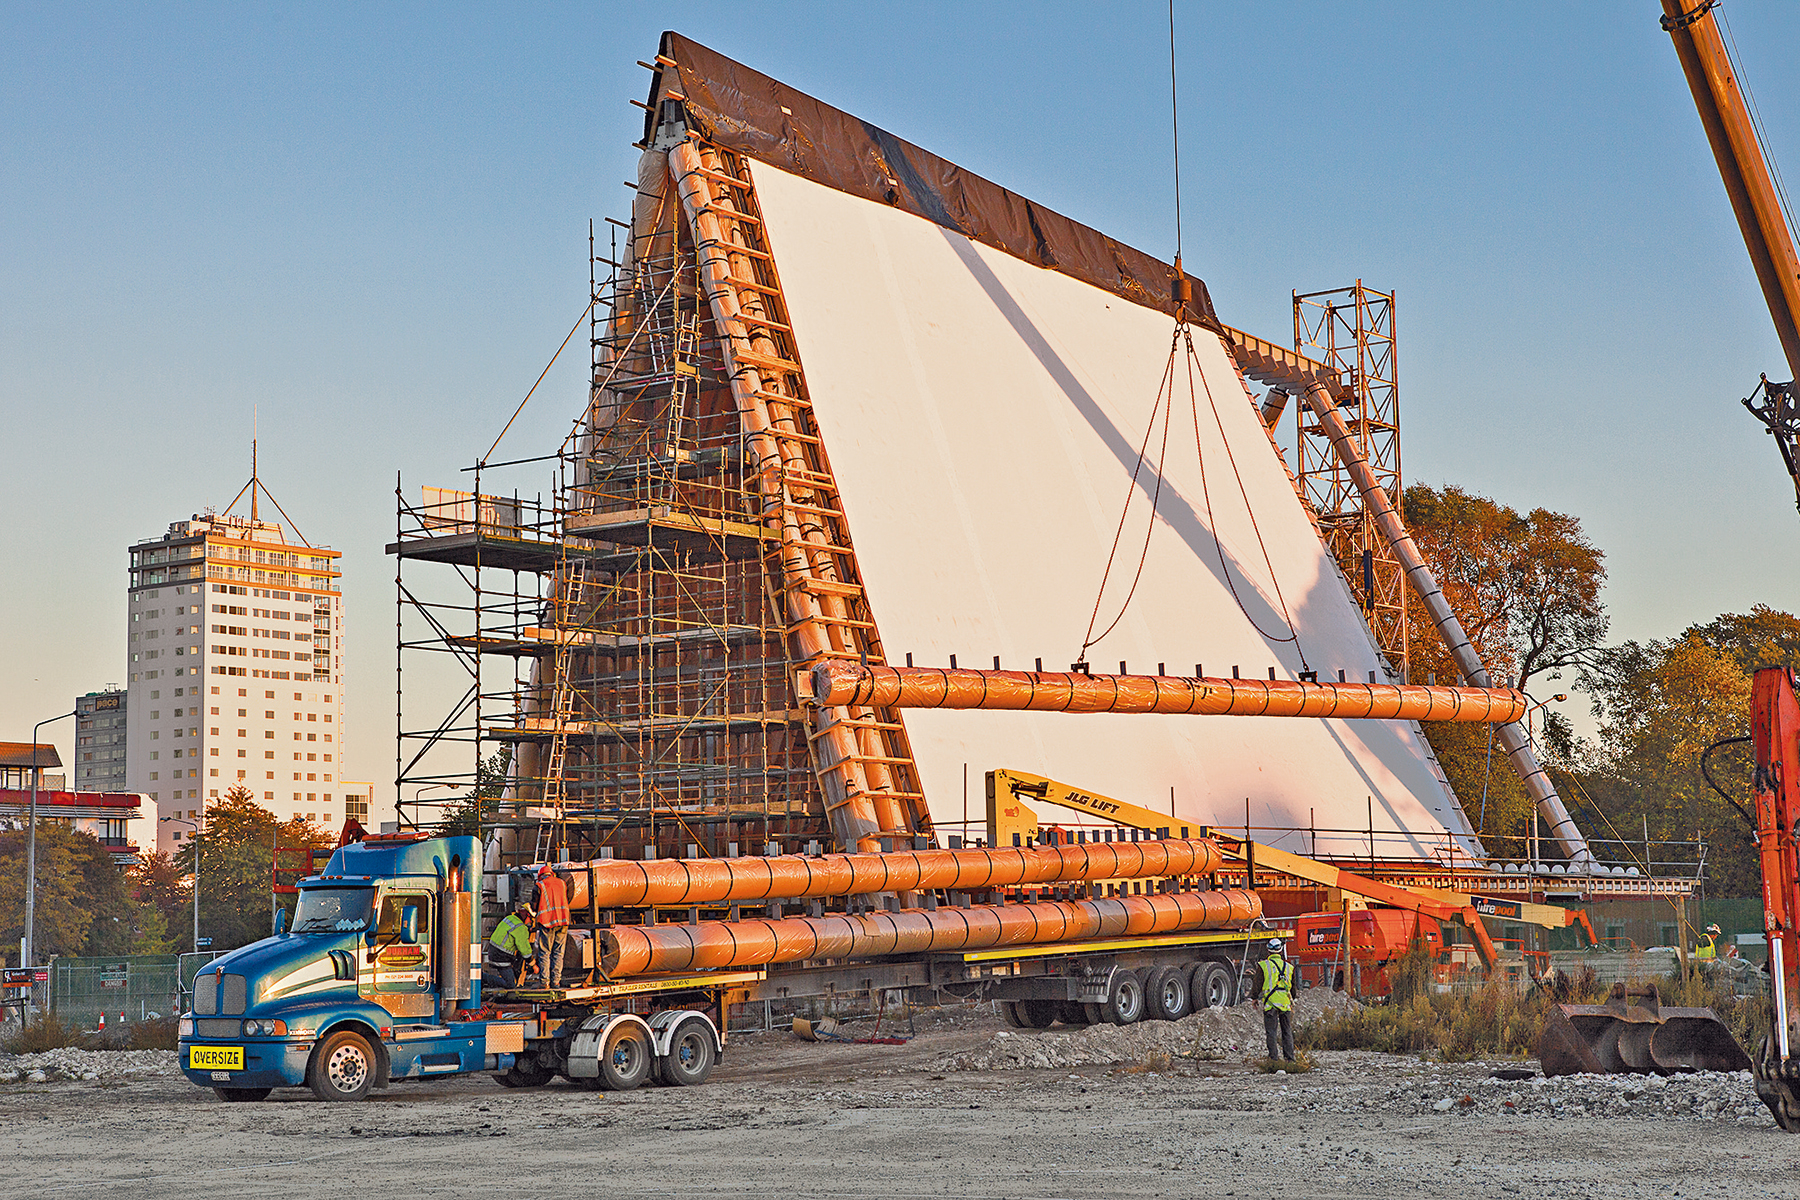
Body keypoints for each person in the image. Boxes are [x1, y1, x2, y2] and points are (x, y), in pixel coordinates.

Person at [1256, 936, 1297, 1061]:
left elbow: (1257, 983)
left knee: (1271, 1032)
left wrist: (1253, 998)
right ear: (1281, 950)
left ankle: (1273, 1059)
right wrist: (1292, 999)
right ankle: (1290, 1059)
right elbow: (1293, 988)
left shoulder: (1263, 966)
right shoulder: (1289, 967)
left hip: (1271, 1003)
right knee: (1287, 1031)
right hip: (1285, 1003)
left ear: (1268, 951)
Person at [533, 864, 571, 990]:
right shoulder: (562, 883)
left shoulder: (540, 885)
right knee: (558, 952)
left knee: (545, 952)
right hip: (563, 920)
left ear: (540, 876)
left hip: (547, 921)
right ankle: (556, 982)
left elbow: (534, 905)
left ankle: (544, 982)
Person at [485, 901, 536, 989]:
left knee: (509, 979)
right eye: (531, 920)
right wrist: (533, 965)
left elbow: (512, 931)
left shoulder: (510, 918)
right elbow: (525, 950)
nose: (530, 922)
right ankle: (483, 978)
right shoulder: (521, 928)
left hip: (493, 951)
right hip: (501, 957)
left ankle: (484, 980)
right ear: (527, 915)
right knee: (510, 985)